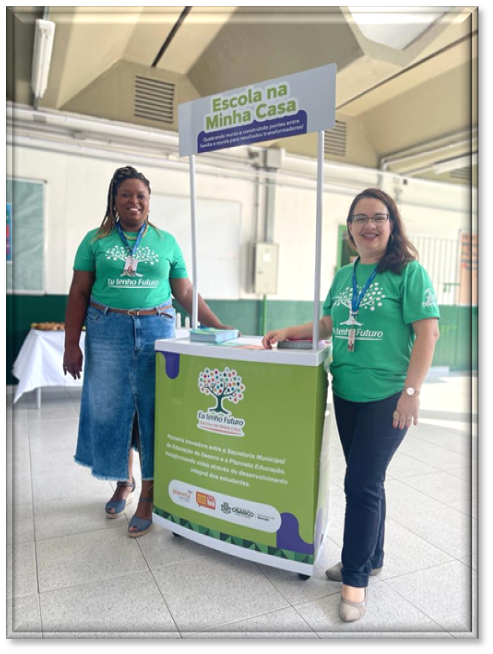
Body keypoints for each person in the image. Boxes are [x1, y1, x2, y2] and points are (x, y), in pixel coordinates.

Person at [263, 188, 440, 622]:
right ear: (349, 229)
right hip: (346, 393)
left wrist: (411, 393)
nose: (369, 225)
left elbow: (428, 334)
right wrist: (290, 331)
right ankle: (372, 555)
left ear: (391, 224)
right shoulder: (345, 276)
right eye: (360, 218)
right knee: (370, 481)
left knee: (359, 484)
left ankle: (356, 577)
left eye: (378, 217)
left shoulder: (409, 273)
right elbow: (328, 323)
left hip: (388, 397)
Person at [63, 165, 235, 538]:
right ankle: (124, 482)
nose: (134, 201)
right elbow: (78, 293)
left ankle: (151, 494)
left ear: (149, 202)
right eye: (126, 194)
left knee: (153, 414)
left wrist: (218, 326)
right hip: (107, 331)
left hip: (157, 330)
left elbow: (185, 294)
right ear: (114, 199)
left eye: (141, 195)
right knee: (112, 409)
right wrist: (70, 344)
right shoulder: (95, 240)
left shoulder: (165, 242)